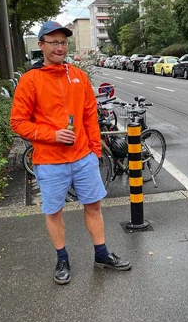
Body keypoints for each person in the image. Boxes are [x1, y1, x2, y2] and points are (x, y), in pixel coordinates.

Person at [10, 20, 131, 285]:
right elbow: (17, 122)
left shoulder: (78, 75)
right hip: (50, 161)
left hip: (83, 158)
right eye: (53, 42)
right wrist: (51, 135)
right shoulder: (31, 80)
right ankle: (62, 258)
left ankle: (101, 254)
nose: (59, 47)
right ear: (41, 45)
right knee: (54, 211)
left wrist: (95, 151)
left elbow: (90, 115)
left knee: (94, 205)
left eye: (63, 42)